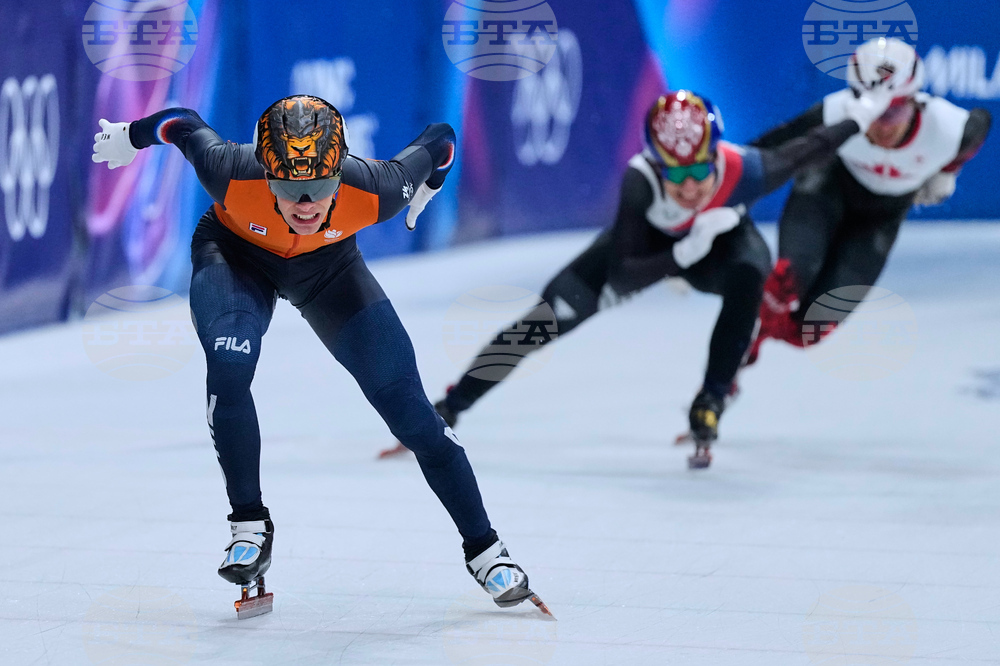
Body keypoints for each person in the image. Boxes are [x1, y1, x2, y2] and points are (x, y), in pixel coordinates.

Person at [92, 95, 552, 617]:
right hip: (236, 256)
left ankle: (486, 551)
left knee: (413, 415)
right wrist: (131, 136)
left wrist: (430, 184)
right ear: (267, 176)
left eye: (320, 187)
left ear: (340, 175)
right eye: (290, 188)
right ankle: (249, 524)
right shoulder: (227, 170)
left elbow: (442, 139)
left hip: (328, 270)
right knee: (229, 368)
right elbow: (180, 125)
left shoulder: (377, 187)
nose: (306, 203)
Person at [419, 87, 894, 468]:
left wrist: (866, 114)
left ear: (717, 157)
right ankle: (451, 405)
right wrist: (684, 249)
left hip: (720, 250)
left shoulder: (746, 171)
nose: (688, 187)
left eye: (698, 173)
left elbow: (811, 147)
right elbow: (625, 271)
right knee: (543, 321)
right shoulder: (639, 180)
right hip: (646, 254)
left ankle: (710, 400)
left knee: (752, 272)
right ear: (657, 164)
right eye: (676, 174)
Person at [746, 37, 992, 363]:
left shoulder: (948, 128)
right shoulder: (836, 112)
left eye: (895, 110)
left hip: (881, 217)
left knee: (809, 331)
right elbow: (759, 154)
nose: (883, 125)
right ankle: (744, 338)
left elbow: (981, 125)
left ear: (916, 101)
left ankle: (760, 333)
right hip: (827, 189)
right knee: (787, 280)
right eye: (873, 108)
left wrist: (947, 169)